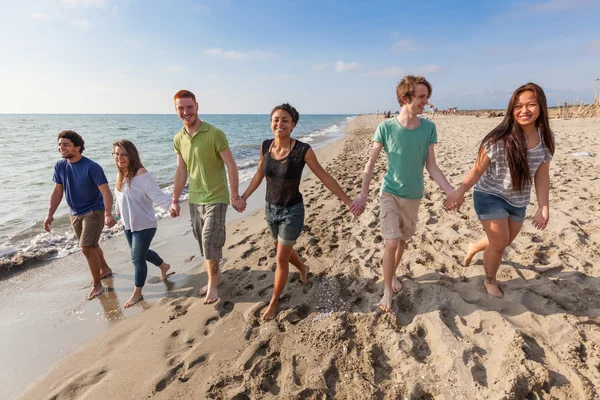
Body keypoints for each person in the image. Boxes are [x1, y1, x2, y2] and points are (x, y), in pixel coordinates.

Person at [242, 103, 359, 321]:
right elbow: (259, 173)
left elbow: (324, 177)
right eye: (276, 119)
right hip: (270, 210)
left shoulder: (302, 151)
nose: (280, 123)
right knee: (281, 250)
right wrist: (244, 197)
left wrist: (347, 201)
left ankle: (274, 301)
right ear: (271, 123)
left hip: (292, 211)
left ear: (293, 124)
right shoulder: (265, 146)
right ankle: (303, 268)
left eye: (285, 120)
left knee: (280, 260)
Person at [351, 75, 457, 313]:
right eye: (421, 97)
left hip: (414, 196)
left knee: (402, 241)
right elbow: (370, 163)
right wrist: (362, 195)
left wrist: (450, 191)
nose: (426, 102)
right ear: (405, 98)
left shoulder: (429, 127)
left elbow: (431, 165)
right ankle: (387, 290)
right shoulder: (386, 127)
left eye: (427, 97)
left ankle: (393, 274)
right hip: (389, 192)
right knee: (391, 242)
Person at [446, 83, 554, 298]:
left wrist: (543, 206)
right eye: (518, 106)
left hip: (518, 199)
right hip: (490, 195)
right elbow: (477, 170)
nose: (524, 110)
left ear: (541, 106)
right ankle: (490, 280)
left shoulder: (546, 139)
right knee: (499, 243)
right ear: (511, 110)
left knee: (503, 241)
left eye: (531, 105)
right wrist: (460, 191)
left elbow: (542, 174)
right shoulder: (498, 139)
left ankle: (475, 246)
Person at [169, 90, 246, 305]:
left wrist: (234, 195)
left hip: (216, 197)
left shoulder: (214, 133)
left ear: (197, 106)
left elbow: (231, 165)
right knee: (204, 245)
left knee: (210, 240)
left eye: (189, 107)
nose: (186, 112)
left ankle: (212, 285)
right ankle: (217, 276)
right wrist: (174, 200)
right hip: (195, 199)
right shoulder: (179, 138)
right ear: (176, 111)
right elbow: (181, 171)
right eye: (180, 108)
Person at [44, 130, 116, 300]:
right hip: (75, 213)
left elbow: (106, 192)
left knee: (86, 247)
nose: (61, 148)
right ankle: (105, 269)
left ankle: (98, 285)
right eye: (60, 144)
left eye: (66, 145)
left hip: (94, 210)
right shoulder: (60, 166)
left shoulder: (92, 167)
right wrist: (50, 214)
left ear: (78, 147)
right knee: (92, 245)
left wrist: (108, 214)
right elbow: (57, 191)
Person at [112, 140, 174, 308]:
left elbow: (158, 195)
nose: (120, 157)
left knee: (136, 258)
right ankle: (164, 266)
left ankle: (137, 293)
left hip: (145, 225)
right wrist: (115, 218)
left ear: (132, 155)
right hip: (128, 226)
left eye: (124, 154)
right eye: (117, 154)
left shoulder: (142, 174)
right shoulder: (120, 175)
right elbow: (119, 200)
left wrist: (173, 206)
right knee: (142, 253)